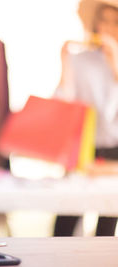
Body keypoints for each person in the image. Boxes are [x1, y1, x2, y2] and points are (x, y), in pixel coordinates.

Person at [54, 0, 118, 236]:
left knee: (107, 227)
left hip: (114, 156)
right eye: (104, 20)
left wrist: (115, 69)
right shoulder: (80, 60)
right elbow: (64, 105)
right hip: (82, 149)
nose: (108, 27)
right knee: (66, 219)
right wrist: (64, 64)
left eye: (115, 21)